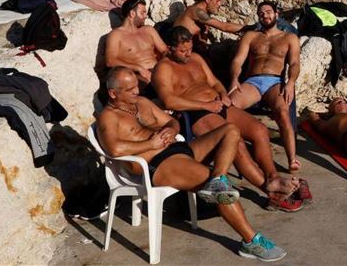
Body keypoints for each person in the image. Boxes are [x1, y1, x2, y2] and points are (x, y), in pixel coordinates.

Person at [97, 67, 286, 262]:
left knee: (230, 131)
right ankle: (251, 241)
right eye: (130, 90)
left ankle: (218, 177)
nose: (137, 91)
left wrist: (170, 129)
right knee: (223, 193)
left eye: (136, 86)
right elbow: (114, 149)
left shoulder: (142, 103)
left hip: (178, 149)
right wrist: (150, 144)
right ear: (113, 93)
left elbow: (172, 122)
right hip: (158, 164)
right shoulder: (108, 117)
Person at [153, 26, 309, 212]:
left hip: (218, 105)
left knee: (259, 130)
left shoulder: (195, 58)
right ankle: (271, 192)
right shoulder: (163, 68)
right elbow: (169, 100)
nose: (187, 54)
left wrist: (222, 94)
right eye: (182, 50)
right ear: (169, 48)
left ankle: (273, 178)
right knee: (237, 143)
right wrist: (206, 106)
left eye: (189, 48)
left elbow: (214, 82)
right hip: (196, 113)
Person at [228, 1, 301, 172]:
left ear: (277, 14)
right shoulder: (251, 36)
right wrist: (234, 79)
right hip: (252, 81)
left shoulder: (289, 38)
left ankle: (292, 158)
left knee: (283, 111)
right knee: (229, 107)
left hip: (275, 81)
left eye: (268, 12)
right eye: (261, 13)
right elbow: (238, 60)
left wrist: (291, 82)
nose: (265, 15)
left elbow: (295, 63)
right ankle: (239, 152)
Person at [105, 0, 167, 88]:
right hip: (137, 75)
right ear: (132, 14)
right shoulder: (116, 35)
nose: (145, 16)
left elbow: (164, 50)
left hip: (158, 69)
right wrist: (139, 68)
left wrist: (164, 67)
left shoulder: (148, 30)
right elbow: (110, 61)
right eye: (142, 13)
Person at [173, 0, 245, 54]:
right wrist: (248, 28)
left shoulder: (203, 14)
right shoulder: (197, 11)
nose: (219, 4)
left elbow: (202, 42)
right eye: (217, 1)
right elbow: (224, 26)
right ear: (207, 0)